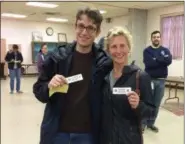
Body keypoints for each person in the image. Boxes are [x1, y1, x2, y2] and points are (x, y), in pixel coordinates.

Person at [33, 7, 111, 144]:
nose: (84, 32)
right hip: (57, 133)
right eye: (81, 26)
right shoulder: (57, 57)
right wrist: (49, 86)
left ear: (97, 32)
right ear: (75, 27)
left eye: (90, 28)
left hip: (88, 135)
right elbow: (39, 90)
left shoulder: (103, 63)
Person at [100, 27, 156, 144]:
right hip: (106, 139)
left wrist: (138, 105)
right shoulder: (104, 77)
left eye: (122, 46)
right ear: (108, 50)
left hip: (129, 139)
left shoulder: (141, 76)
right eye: (114, 46)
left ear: (129, 48)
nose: (118, 51)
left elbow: (151, 112)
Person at [142, 30, 172, 133]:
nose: (156, 38)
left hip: (161, 81)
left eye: (158, 37)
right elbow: (149, 64)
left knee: (156, 104)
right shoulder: (147, 51)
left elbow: (168, 61)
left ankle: (151, 123)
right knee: (147, 102)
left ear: (160, 38)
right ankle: (143, 123)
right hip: (149, 80)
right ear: (151, 38)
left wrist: (156, 59)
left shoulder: (165, 50)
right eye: (154, 37)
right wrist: (161, 60)